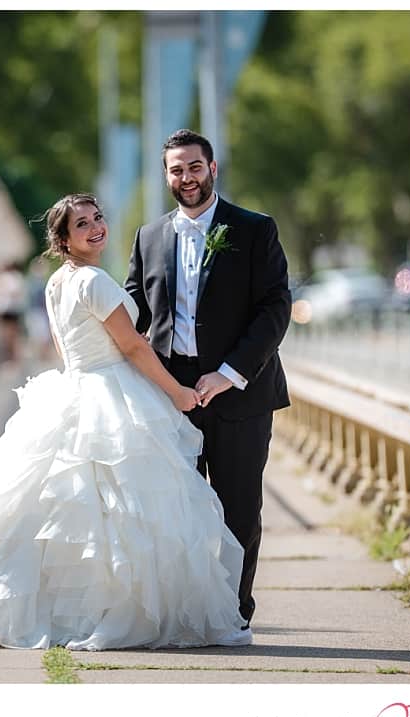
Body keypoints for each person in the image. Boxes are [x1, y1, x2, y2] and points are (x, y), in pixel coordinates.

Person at [0, 192, 251, 650]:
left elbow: (63, 346)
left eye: (98, 217)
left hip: (75, 384)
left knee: (63, 507)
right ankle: (109, 610)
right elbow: (134, 346)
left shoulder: (57, 282)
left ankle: (56, 608)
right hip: (110, 389)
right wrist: (175, 392)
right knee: (119, 509)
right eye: (82, 224)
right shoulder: (94, 281)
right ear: (63, 238)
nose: (96, 227)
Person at [123, 129, 292, 635]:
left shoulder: (255, 229)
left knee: (239, 511)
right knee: (178, 512)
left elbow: (275, 308)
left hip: (241, 394)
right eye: (176, 170)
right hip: (172, 399)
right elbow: (133, 313)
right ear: (166, 176)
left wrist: (229, 373)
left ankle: (233, 614)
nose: (186, 178)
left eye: (194, 167)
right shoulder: (148, 237)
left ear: (212, 169)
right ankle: (188, 613)